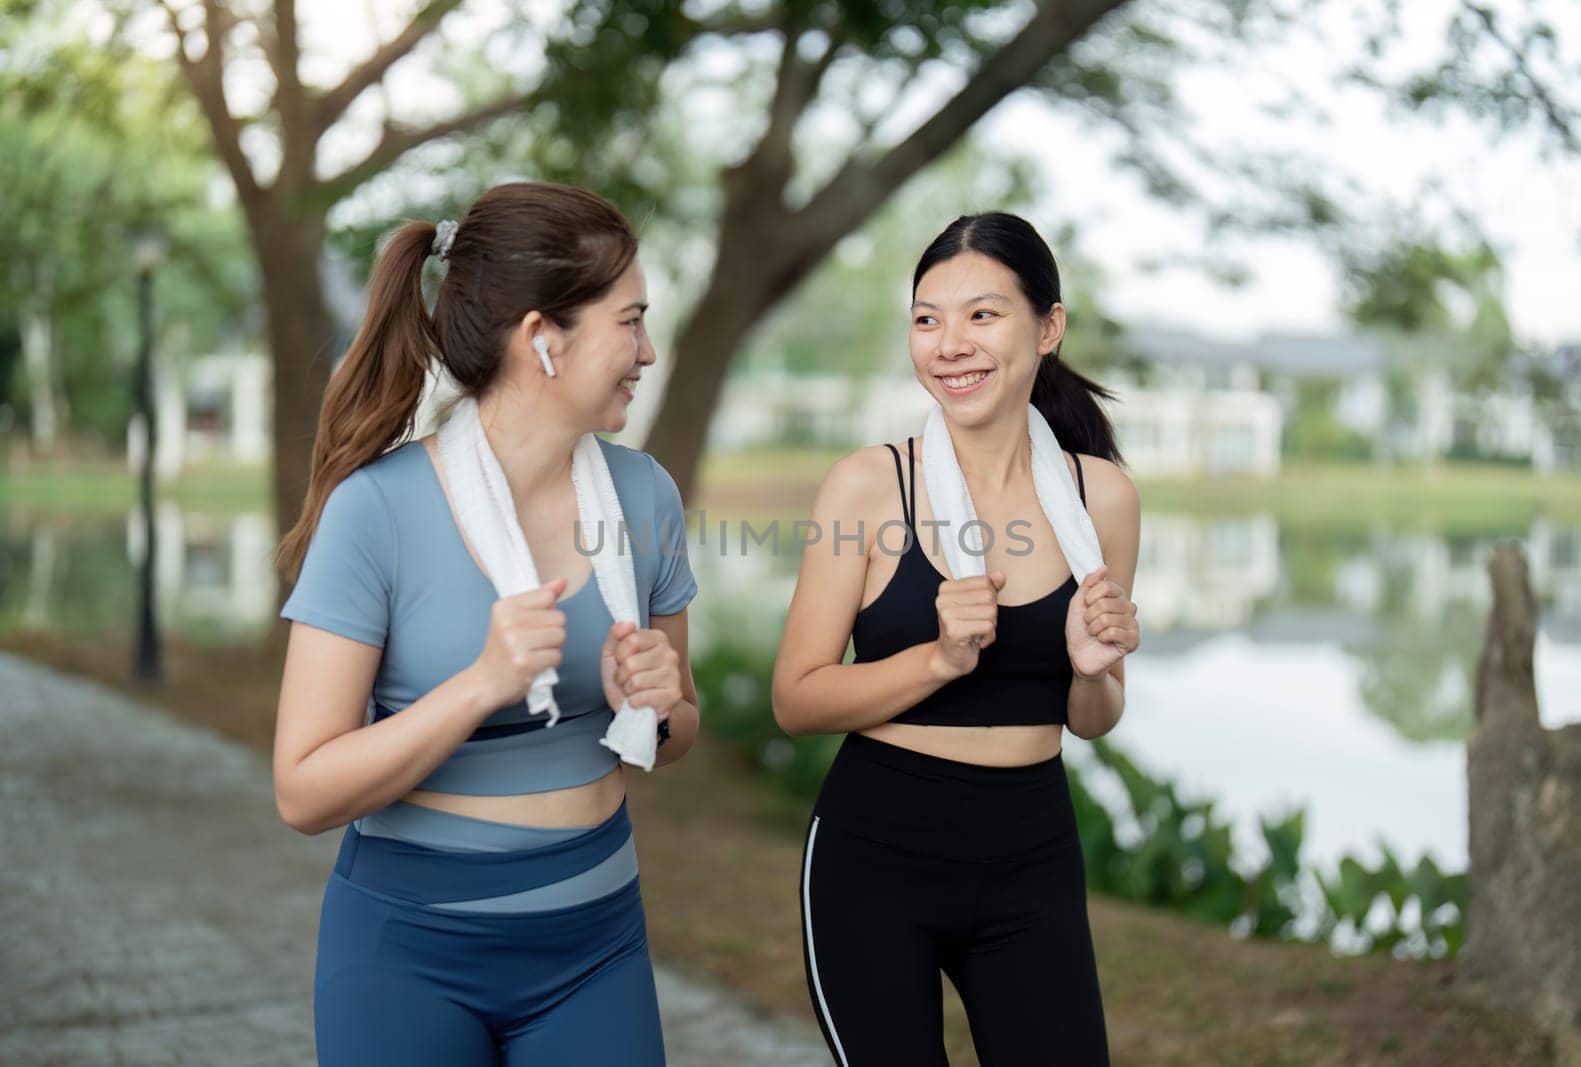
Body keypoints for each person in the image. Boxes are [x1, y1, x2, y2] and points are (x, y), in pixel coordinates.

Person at [272, 181, 699, 1066]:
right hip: (410, 956)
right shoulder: (377, 511)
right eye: (630, 321)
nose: (648, 351)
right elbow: (302, 790)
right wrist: (480, 685)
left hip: (598, 945)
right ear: (543, 338)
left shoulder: (645, 496)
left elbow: (678, 726)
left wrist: (661, 702)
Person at [771, 212, 1142, 1065]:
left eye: (982, 315)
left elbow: (1094, 716)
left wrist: (1092, 670)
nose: (949, 344)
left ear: (1047, 328)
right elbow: (796, 697)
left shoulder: (1103, 501)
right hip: (874, 854)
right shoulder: (868, 486)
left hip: (1031, 851)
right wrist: (938, 659)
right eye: (927, 318)